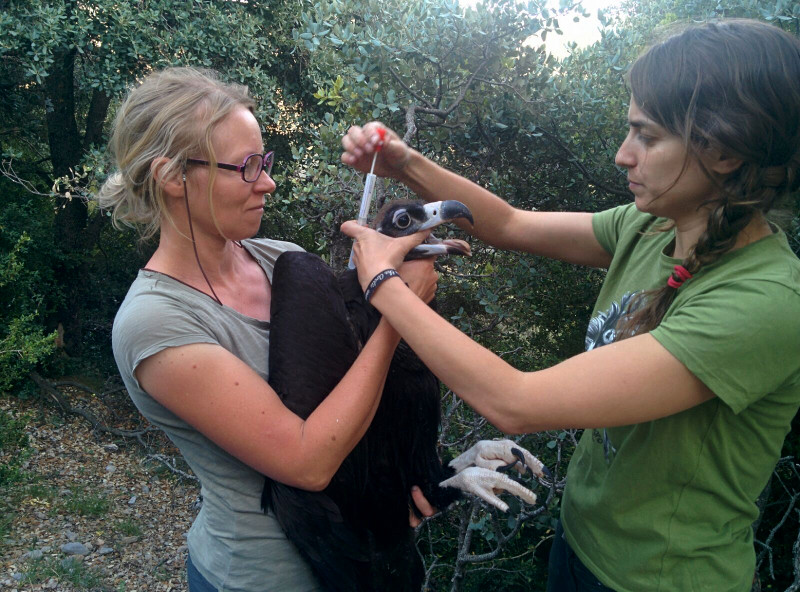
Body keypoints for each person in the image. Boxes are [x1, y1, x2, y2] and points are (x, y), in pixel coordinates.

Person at [340, 19, 800, 592]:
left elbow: (517, 402)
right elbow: (508, 224)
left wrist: (381, 281)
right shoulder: (653, 227)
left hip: (660, 579)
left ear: (724, 151)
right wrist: (404, 161)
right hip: (581, 544)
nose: (622, 156)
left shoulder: (763, 303)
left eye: (647, 137)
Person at [95, 67, 441, 592]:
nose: (269, 182)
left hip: (355, 555)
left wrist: (394, 480)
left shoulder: (281, 258)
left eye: (266, 161)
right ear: (172, 176)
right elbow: (306, 461)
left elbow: (361, 388)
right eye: (246, 167)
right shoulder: (156, 322)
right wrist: (397, 310)